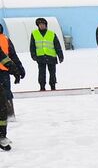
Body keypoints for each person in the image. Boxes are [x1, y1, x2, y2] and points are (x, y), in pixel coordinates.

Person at [0, 23, 23, 151]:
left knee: (2, 106)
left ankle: (1, 135)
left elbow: (3, 57)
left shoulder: (5, 39)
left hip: (1, 75)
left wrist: (14, 69)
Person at [28, 17, 62, 91]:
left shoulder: (51, 34)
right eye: (40, 24)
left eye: (43, 24)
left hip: (51, 56)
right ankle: (42, 86)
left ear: (46, 25)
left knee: (52, 73)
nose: (42, 26)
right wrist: (33, 55)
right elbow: (32, 46)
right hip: (40, 57)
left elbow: (57, 45)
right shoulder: (34, 34)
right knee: (41, 73)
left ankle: (53, 86)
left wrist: (60, 56)